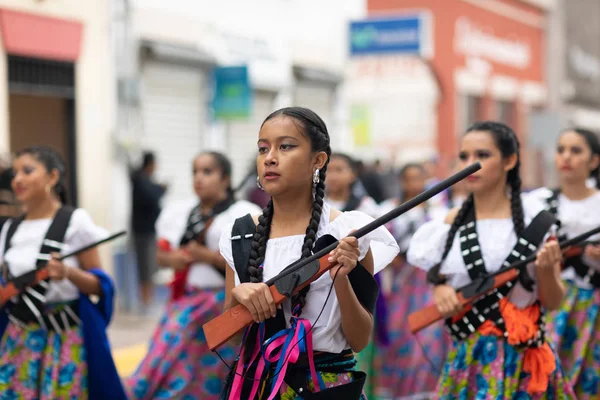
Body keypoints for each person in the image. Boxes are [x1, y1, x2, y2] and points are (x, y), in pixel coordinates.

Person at [218, 107, 399, 399]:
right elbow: (231, 336)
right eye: (263, 148)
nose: (270, 157)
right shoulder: (239, 235)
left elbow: (359, 338)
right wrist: (240, 299)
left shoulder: (349, 232)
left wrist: (341, 279)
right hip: (260, 388)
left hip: (328, 388)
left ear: (318, 160)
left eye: (286, 146)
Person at [407, 121, 575, 398]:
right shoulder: (449, 223)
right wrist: (440, 288)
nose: (470, 164)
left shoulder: (538, 220)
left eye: (482, 156)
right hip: (468, 358)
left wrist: (546, 270)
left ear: (509, 161)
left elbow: (554, 301)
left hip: (524, 357)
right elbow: (438, 274)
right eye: (464, 156)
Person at [126, 151, 261, 399]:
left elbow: (252, 263)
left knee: (217, 366)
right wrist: (174, 260)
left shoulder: (244, 214)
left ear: (226, 179)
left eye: (207, 172)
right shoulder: (180, 211)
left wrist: (207, 257)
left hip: (223, 302)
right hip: (186, 301)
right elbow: (161, 255)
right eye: (195, 172)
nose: (199, 178)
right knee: (170, 358)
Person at [0, 146, 125, 399]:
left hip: (64, 338)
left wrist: (68, 273)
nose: (18, 180)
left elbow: (100, 285)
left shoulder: (74, 220)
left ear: (53, 177)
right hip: (19, 337)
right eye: (14, 174)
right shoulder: (9, 228)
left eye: (27, 171)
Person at [526, 128, 600, 398]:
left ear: (594, 161)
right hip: (548, 303)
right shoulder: (537, 202)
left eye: (576, 150)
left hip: (594, 306)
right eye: (561, 150)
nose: (566, 157)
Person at [377, 162, 450, 399]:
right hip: (398, 283)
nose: (413, 184)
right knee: (399, 333)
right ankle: (399, 390)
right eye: (408, 179)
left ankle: (424, 389)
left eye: (418, 179)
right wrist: (394, 259)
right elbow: (380, 246)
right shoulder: (389, 209)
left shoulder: (438, 212)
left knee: (428, 333)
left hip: (425, 282)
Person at [131, 151, 167, 309]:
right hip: (143, 232)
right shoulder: (141, 181)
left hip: (147, 231)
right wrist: (161, 189)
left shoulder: (144, 181)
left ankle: (147, 301)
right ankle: (145, 302)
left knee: (149, 268)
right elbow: (151, 197)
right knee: (146, 269)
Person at [325, 153, 379, 218]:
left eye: (339, 170)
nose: (333, 176)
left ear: (353, 174)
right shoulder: (316, 204)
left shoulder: (365, 205)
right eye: (328, 170)